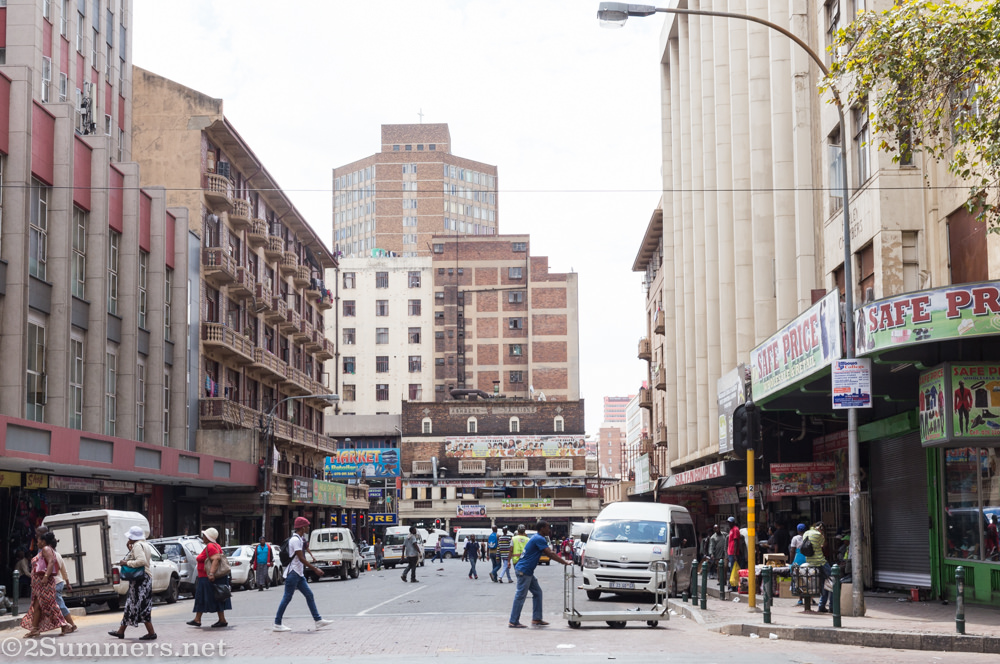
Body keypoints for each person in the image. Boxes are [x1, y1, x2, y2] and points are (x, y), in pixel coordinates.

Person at [273, 517, 333, 632]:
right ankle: (277, 623)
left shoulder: (300, 539)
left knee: (309, 595)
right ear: (302, 527)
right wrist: (314, 569)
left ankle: (318, 620)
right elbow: (301, 558)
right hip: (293, 573)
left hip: (298, 574)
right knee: (287, 598)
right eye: (307, 525)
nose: (308, 527)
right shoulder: (295, 540)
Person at [508, 521, 570, 628]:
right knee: (520, 596)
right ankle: (513, 621)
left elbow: (549, 552)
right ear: (542, 528)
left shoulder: (538, 538)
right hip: (524, 570)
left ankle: (537, 618)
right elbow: (549, 553)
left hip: (527, 571)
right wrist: (564, 562)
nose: (549, 530)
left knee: (537, 593)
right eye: (547, 528)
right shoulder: (539, 538)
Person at [108, 526, 156, 640]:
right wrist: (129, 549)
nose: (128, 538)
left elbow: (141, 561)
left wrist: (127, 563)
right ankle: (121, 631)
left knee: (141, 606)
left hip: (141, 580)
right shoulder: (144, 544)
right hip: (143, 579)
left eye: (129, 537)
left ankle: (151, 632)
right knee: (131, 605)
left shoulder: (138, 545)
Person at [20, 529, 69, 638]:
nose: (37, 543)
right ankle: (35, 629)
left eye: (38, 541)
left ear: (43, 541)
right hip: (39, 584)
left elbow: (51, 562)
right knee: (37, 606)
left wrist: (46, 577)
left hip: (44, 583)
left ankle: (64, 624)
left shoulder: (46, 549)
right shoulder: (44, 550)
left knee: (49, 604)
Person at [189, 528, 231, 629]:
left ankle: (198, 619)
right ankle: (219, 619)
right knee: (216, 597)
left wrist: (211, 573)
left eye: (204, 536)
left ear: (208, 537)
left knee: (202, 598)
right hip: (208, 577)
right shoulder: (216, 545)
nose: (203, 537)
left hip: (207, 577)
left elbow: (216, 559)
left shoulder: (210, 546)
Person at [48, 536, 77, 635]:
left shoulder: (50, 556)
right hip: (59, 582)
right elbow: (64, 571)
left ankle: (70, 624)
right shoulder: (58, 555)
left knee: (59, 605)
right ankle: (68, 624)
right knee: (59, 604)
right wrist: (68, 583)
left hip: (55, 582)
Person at [803, 522, 831, 614]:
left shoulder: (806, 533)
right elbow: (824, 545)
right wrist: (822, 534)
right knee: (833, 582)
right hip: (820, 562)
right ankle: (832, 606)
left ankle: (822, 606)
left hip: (810, 562)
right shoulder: (818, 535)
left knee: (823, 583)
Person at [726, 517, 741, 591]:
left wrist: (734, 554)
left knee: (733, 569)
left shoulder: (735, 529)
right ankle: (732, 584)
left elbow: (735, 542)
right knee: (731, 569)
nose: (729, 524)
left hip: (733, 553)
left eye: (730, 522)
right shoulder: (731, 530)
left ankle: (733, 586)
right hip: (730, 552)